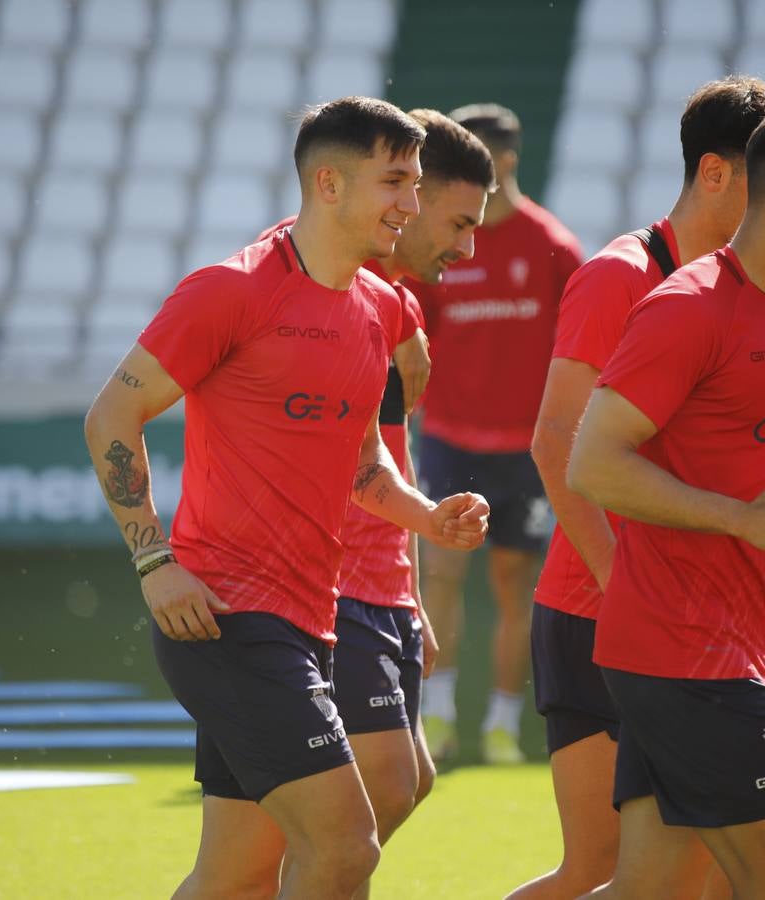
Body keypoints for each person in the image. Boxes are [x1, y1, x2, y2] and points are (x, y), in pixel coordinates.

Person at [82, 96, 490, 900]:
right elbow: (111, 417)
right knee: (345, 848)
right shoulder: (229, 291)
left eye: (414, 184)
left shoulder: (376, 308)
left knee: (233, 879)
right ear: (329, 184)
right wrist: (155, 560)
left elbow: (361, 465)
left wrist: (427, 516)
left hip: (313, 621)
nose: (412, 203)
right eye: (396, 181)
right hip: (227, 619)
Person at [565, 102, 765, 899]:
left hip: (716, 644)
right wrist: (742, 520)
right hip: (680, 652)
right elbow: (592, 463)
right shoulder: (687, 306)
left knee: (654, 889)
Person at [513, 76, 765, 900]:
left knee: (695, 876)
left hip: (703, 625)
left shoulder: (757, 296)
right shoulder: (619, 276)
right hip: (600, 612)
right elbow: (555, 443)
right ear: (715, 173)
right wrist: (625, 588)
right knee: (604, 871)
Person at [259, 107, 496, 898]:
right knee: (373, 802)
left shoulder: (397, 308)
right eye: (455, 220)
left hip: (380, 580)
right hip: (324, 583)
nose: (466, 248)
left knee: (372, 806)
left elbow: (386, 458)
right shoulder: (304, 281)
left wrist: (413, 595)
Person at [413, 103, 584, 764]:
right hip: (451, 440)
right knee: (442, 577)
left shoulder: (554, 246)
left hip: (527, 451)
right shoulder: (441, 241)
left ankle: (504, 725)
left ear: (506, 160)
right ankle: (439, 715)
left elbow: (581, 349)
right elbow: (414, 332)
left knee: (518, 589)